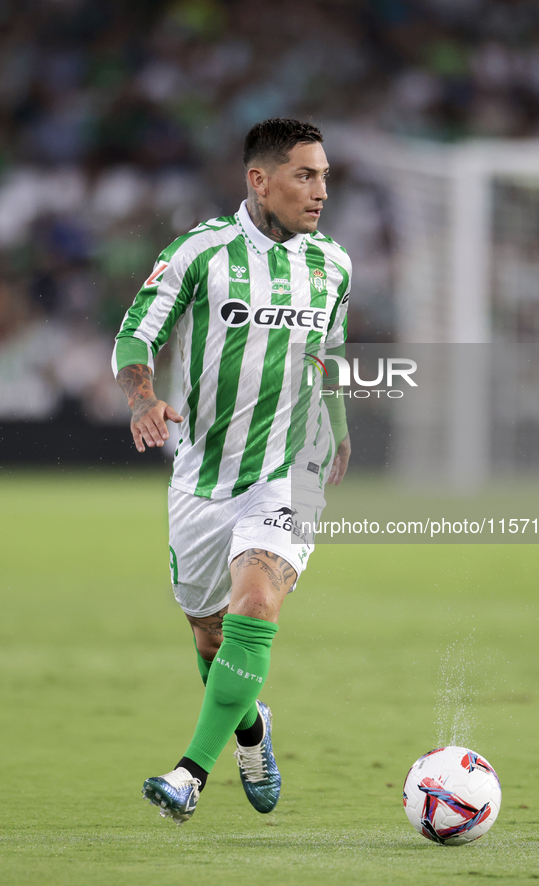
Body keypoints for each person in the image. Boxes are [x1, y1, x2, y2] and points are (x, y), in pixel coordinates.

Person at [113, 118, 351, 824]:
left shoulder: (332, 263)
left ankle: (189, 774)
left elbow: (328, 350)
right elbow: (137, 332)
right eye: (305, 175)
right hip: (201, 475)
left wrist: (335, 429)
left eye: (325, 176)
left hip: (289, 470)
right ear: (259, 179)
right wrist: (142, 395)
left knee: (256, 604)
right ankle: (250, 729)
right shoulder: (202, 252)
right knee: (210, 637)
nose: (320, 191)